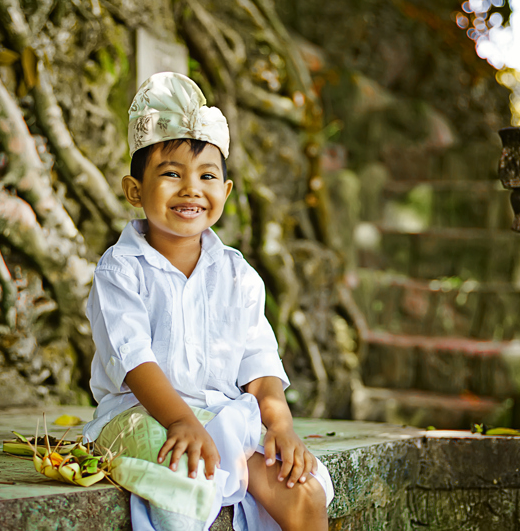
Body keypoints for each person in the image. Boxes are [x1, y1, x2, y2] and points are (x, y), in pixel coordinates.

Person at [82, 72, 334, 531]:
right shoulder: (120, 269)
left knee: (304, 492)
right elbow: (133, 359)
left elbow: (259, 367)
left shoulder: (238, 275)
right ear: (135, 190)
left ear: (226, 192)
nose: (191, 188)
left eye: (207, 175)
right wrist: (179, 419)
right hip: (141, 416)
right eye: (171, 174)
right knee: (187, 485)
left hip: (224, 419)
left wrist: (280, 427)